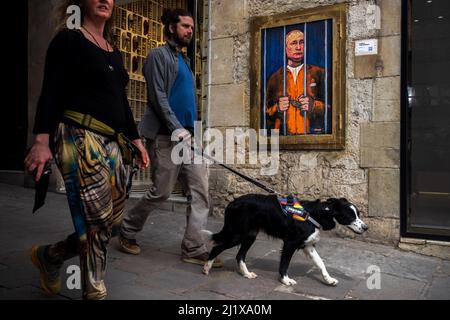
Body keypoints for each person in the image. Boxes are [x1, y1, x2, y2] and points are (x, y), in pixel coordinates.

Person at [24, 0, 149, 300]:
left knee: (112, 225)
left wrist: (136, 140)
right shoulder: (68, 38)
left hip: (114, 142)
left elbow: (120, 102)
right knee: (95, 223)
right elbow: (51, 90)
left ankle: (50, 256)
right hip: (78, 136)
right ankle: (95, 293)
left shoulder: (114, 51)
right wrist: (42, 141)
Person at [118, 8, 222, 268]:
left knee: (200, 193)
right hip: (166, 137)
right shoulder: (157, 56)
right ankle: (127, 229)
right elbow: (158, 98)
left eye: (192, 27)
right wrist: (178, 129)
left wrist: (192, 134)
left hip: (189, 138)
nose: (190, 31)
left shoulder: (185, 60)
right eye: (185, 26)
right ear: (171, 27)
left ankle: (194, 247)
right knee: (161, 192)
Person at [266, 29, 326, 135]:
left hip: (313, 138)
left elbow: (335, 108)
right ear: (285, 48)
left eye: (301, 42)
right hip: (283, 139)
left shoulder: (319, 73)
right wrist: (278, 108)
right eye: (294, 43)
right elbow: (264, 113)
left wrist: (314, 106)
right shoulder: (274, 78)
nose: (298, 47)